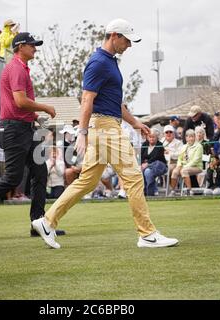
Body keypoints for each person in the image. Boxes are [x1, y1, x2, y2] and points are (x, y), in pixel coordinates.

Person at [30, 19, 179, 249]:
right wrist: (82, 131)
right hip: (105, 129)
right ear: (114, 36)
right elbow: (87, 99)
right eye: (127, 40)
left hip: (107, 126)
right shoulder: (99, 62)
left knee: (87, 182)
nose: (129, 45)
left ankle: (47, 221)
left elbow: (114, 102)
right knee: (134, 177)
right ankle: (147, 234)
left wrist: (136, 122)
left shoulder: (109, 62)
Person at [0, 32, 63, 239]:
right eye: (32, 45)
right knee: (12, 178)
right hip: (14, 130)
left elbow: (16, 105)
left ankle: (38, 224)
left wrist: (33, 116)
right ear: (21, 46)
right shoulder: (17, 68)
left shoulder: (20, 67)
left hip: (23, 127)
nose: (35, 48)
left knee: (40, 172)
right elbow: (19, 101)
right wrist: (45, 108)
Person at [169, 129, 204, 196]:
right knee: (174, 172)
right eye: (188, 137)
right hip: (184, 166)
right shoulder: (184, 146)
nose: (190, 138)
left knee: (184, 171)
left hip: (196, 167)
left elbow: (196, 160)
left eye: (192, 136)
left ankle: (189, 190)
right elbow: (180, 157)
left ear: (194, 137)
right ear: (186, 138)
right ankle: (173, 191)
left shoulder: (199, 146)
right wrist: (178, 165)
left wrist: (185, 166)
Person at [141, 128, 167, 196]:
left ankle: (150, 193)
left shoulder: (160, 145)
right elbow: (141, 156)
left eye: (153, 137)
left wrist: (147, 163)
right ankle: (144, 192)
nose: (151, 138)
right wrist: (141, 164)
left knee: (147, 171)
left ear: (157, 137)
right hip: (146, 166)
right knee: (141, 171)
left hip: (159, 165)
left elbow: (156, 157)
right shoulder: (144, 144)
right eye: (150, 136)